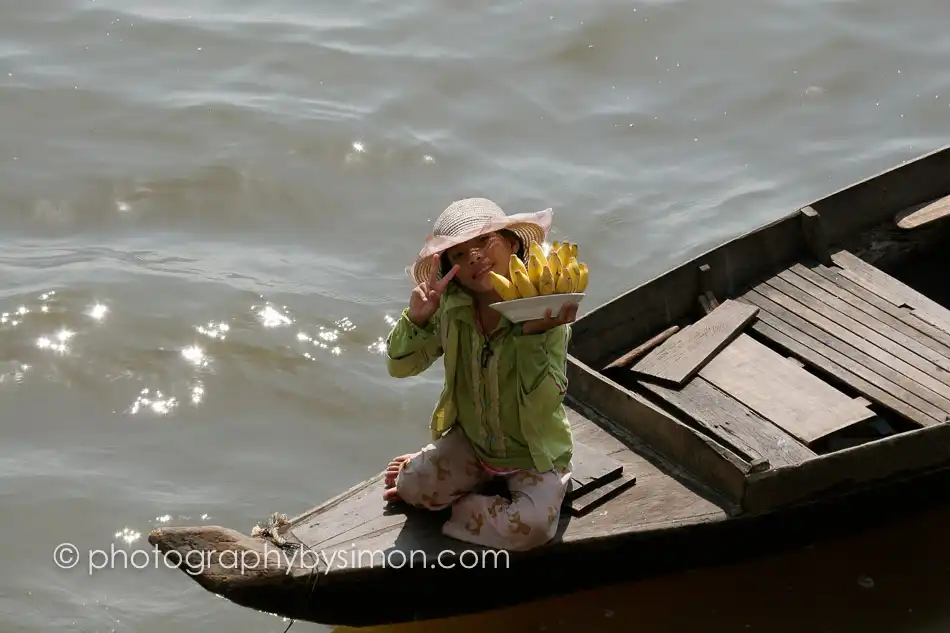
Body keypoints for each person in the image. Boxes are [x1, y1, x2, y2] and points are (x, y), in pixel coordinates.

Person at [381, 197, 576, 551]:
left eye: (484, 242)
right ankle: (462, 491)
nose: (473, 257)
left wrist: (533, 337)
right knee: (411, 489)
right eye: (458, 254)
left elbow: (546, 402)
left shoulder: (546, 310)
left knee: (533, 528)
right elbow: (399, 367)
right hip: (474, 442)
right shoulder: (451, 309)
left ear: (513, 242)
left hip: (533, 452)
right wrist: (418, 319)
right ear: (449, 267)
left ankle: (464, 507)